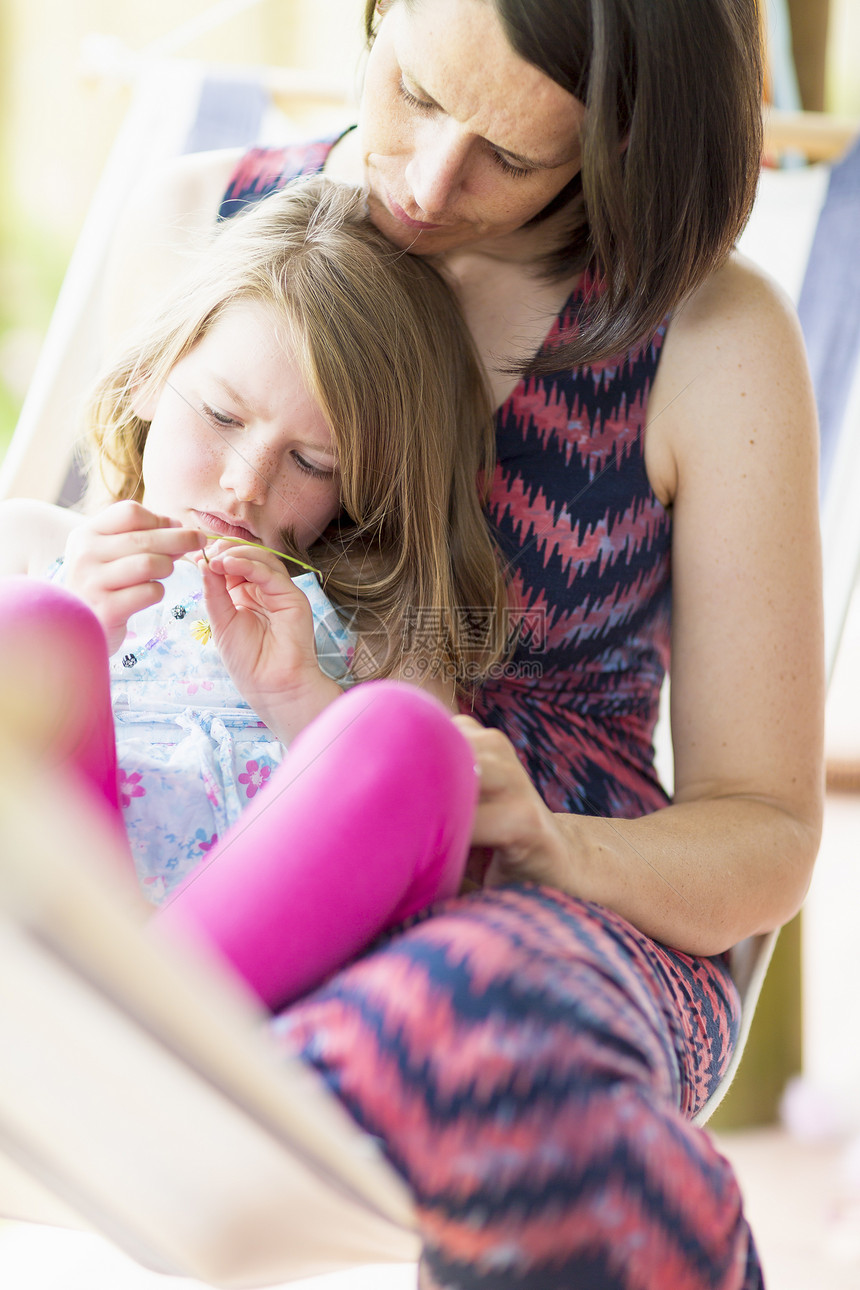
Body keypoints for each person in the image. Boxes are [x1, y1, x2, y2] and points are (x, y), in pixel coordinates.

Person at [64, 1, 828, 1287]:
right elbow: (106, 648)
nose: (423, 184)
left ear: (615, 145)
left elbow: (763, 836)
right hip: (204, 867)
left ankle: (178, 1053)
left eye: (513, 156)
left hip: (547, 919)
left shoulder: (703, 344)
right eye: (414, 90)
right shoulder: (209, 226)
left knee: (471, 1024)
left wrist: (546, 843)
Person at [0, 174, 510, 1011]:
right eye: (223, 418)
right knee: (29, 624)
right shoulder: (32, 549)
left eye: (311, 465)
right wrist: (78, 640)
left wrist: (299, 698)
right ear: (151, 377)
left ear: (358, 495)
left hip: (236, 1010)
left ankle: (151, 1019)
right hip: (44, 952)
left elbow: (426, 848)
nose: (244, 486)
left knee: (412, 738)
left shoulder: (373, 637)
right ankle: (129, 1010)